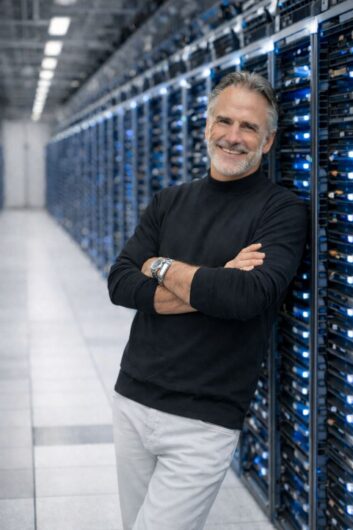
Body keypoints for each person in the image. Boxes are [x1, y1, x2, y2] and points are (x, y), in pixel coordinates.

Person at [108, 71, 308, 530]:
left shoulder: (282, 211)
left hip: (204, 418)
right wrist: (213, 281)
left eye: (249, 127)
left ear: (269, 140)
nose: (233, 137)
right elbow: (120, 283)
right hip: (132, 399)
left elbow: (246, 297)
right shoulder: (169, 201)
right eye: (225, 121)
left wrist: (158, 265)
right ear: (206, 127)